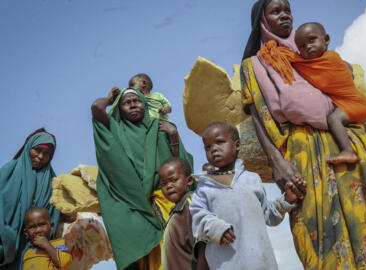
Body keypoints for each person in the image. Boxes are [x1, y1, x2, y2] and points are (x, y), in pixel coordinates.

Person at [241, 0, 366, 268]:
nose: (284, 16)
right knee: (319, 222)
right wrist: (277, 162)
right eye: (276, 11)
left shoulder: (308, 50)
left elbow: (340, 80)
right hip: (302, 147)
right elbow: (257, 114)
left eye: (287, 10)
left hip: (346, 139)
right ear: (262, 21)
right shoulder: (254, 65)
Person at [91, 87, 193, 269]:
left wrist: (173, 135)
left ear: (144, 103)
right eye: (126, 103)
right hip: (136, 205)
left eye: (136, 101)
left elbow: (181, 165)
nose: (132, 105)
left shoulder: (160, 128)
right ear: (119, 108)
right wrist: (110, 98)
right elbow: (97, 108)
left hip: (168, 201)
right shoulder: (115, 129)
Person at [189, 122, 304, 269]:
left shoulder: (252, 179)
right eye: (208, 147)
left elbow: (268, 215)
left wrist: (287, 199)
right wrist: (215, 228)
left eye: (220, 142)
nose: (214, 149)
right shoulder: (204, 187)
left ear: (237, 145)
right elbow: (198, 216)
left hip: (260, 262)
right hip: (226, 264)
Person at [257, 22, 366, 164]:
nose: (308, 46)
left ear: (326, 40)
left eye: (312, 40)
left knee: (333, 120)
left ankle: (348, 151)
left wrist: (277, 52)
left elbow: (298, 63)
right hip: (348, 103)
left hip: (356, 104)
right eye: (302, 46)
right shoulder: (323, 61)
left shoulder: (330, 59)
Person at [0, 128, 60, 270]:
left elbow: (54, 216)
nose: (40, 156)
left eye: (47, 154)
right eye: (37, 150)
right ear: (28, 148)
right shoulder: (8, 171)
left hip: (34, 250)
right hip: (4, 244)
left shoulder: (52, 183)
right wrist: (7, 235)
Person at [157, 158, 208, 270]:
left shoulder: (192, 207)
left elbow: (204, 249)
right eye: (163, 183)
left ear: (189, 180)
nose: (169, 186)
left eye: (174, 180)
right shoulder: (175, 212)